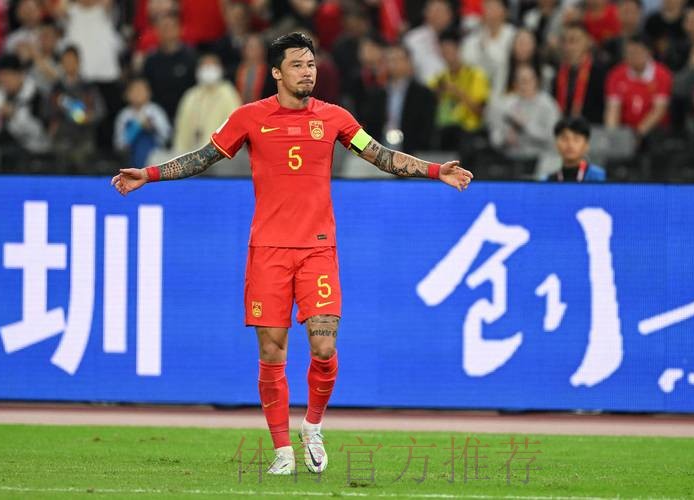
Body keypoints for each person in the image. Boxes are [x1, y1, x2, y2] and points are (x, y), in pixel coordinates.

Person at [110, 32, 473, 476]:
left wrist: (435, 171)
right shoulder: (249, 117)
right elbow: (202, 158)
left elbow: (379, 155)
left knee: (324, 346)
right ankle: (282, 451)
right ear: (277, 73)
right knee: (272, 352)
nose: (307, 72)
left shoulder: (335, 117)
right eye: (298, 65)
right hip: (268, 252)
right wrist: (148, 174)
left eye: (311, 64)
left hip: (318, 250)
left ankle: (312, 426)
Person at [172, 53, 241, 152]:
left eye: (212, 66)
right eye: (205, 66)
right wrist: (179, 152)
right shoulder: (191, 95)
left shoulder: (228, 93)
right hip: (192, 152)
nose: (208, 70)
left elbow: (235, 124)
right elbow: (182, 127)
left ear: (220, 69)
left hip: (220, 153)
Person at [114, 77, 172, 167]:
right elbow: (119, 144)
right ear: (126, 95)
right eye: (134, 91)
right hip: (130, 160)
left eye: (141, 90)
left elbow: (167, 136)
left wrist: (152, 127)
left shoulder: (155, 111)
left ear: (149, 93)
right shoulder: (124, 115)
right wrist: (136, 128)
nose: (138, 94)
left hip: (155, 159)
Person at [545, 116, 606, 181]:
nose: (570, 144)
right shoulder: (549, 181)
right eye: (564, 139)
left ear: (586, 145)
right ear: (556, 144)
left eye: (576, 139)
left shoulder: (600, 178)